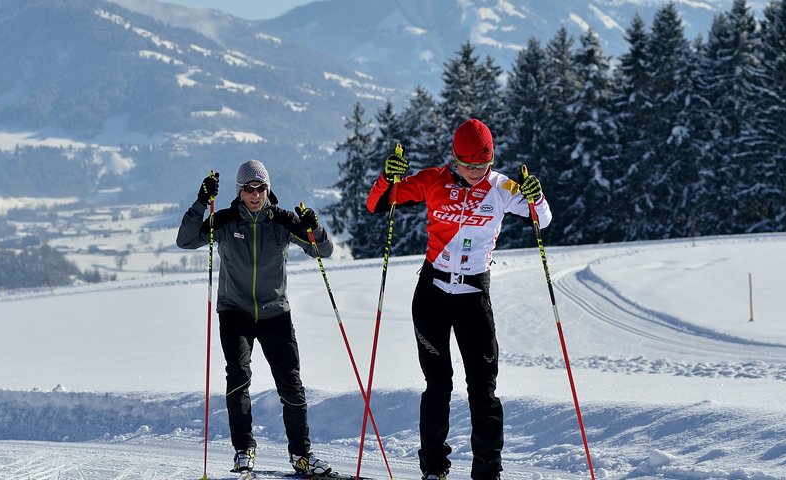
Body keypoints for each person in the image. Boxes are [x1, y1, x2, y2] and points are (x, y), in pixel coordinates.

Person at [365, 119, 550, 480]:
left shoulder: (502, 187)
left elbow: (541, 220)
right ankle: (434, 468)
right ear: (454, 158)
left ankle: (487, 472)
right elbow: (378, 204)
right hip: (432, 293)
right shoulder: (433, 179)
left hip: (473, 296)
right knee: (439, 385)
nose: (475, 173)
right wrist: (387, 178)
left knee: (483, 390)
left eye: (482, 166)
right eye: (468, 166)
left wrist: (535, 196)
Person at [176, 159, 337, 476]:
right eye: (249, 188)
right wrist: (200, 201)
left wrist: (313, 227)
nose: (255, 194)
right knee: (238, 377)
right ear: (239, 190)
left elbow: (323, 250)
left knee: (291, 383)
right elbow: (185, 239)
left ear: (268, 189)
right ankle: (244, 450)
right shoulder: (224, 221)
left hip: (275, 311)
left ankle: (302, 455)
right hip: (234, 311)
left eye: (261, 188)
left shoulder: (283, 221)